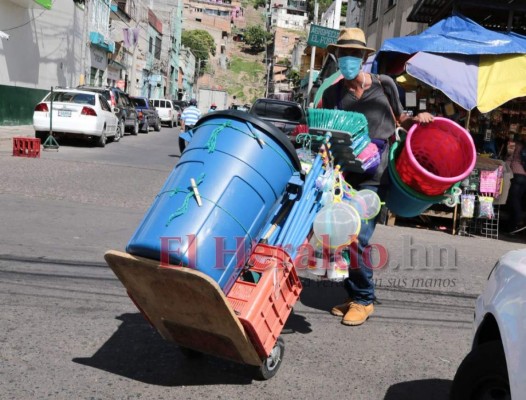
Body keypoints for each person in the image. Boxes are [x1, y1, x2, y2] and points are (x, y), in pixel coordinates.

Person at [321, 27, 434, 326]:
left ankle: (364, 299)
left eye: (354, 54)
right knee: (340, 236)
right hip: (344, 174)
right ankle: (354, 292)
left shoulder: (385, 84)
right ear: (338, 56)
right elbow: (327, 128)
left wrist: (419, 116)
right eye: (344, 53)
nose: (349, 59)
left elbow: (403, 115)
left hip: (376, 173)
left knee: (358, 236)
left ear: (363, 57)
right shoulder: (332, 92)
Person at [505, 136, 526, 234]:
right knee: (517, 199)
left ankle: (519, 218)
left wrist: (506, 169)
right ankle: (512, 226)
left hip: (516, 174)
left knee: (513, 199)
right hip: (524, 176)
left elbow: (509, 158)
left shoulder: (513, 143)